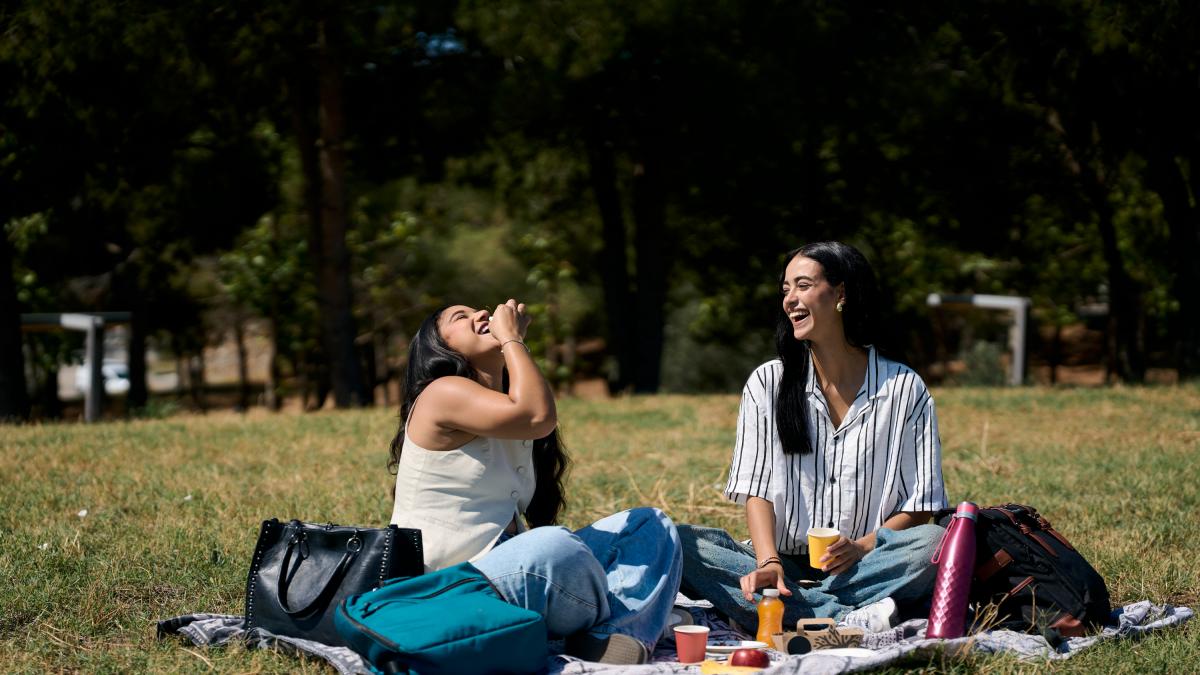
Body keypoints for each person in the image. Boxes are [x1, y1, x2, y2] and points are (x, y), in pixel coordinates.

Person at [389, 298, 682, 664]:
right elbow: (537, 416)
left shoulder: (501, 405)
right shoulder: (441, 392)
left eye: (478, 310)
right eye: (460, 317)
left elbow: (530, 412)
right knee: (553, 544)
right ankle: (630, 613)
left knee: (650, 525)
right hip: (455, 588)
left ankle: (613, 636)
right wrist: (513, 340)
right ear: (439, 348)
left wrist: (512, 346)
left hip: (510, 576)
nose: (481, 314)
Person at [678, 241, 949, 634]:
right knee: (682, 545)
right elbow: (757, 491)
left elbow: (922, 505)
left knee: (932, 545)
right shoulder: (767, 383)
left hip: (866, 563)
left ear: (841, 294)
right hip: (782, 564)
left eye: (802, 285)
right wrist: (768, 563)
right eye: (785, 289)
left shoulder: (905, 387)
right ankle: (846, 617)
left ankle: (797, 612)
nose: (790, 299)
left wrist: (861, 547)